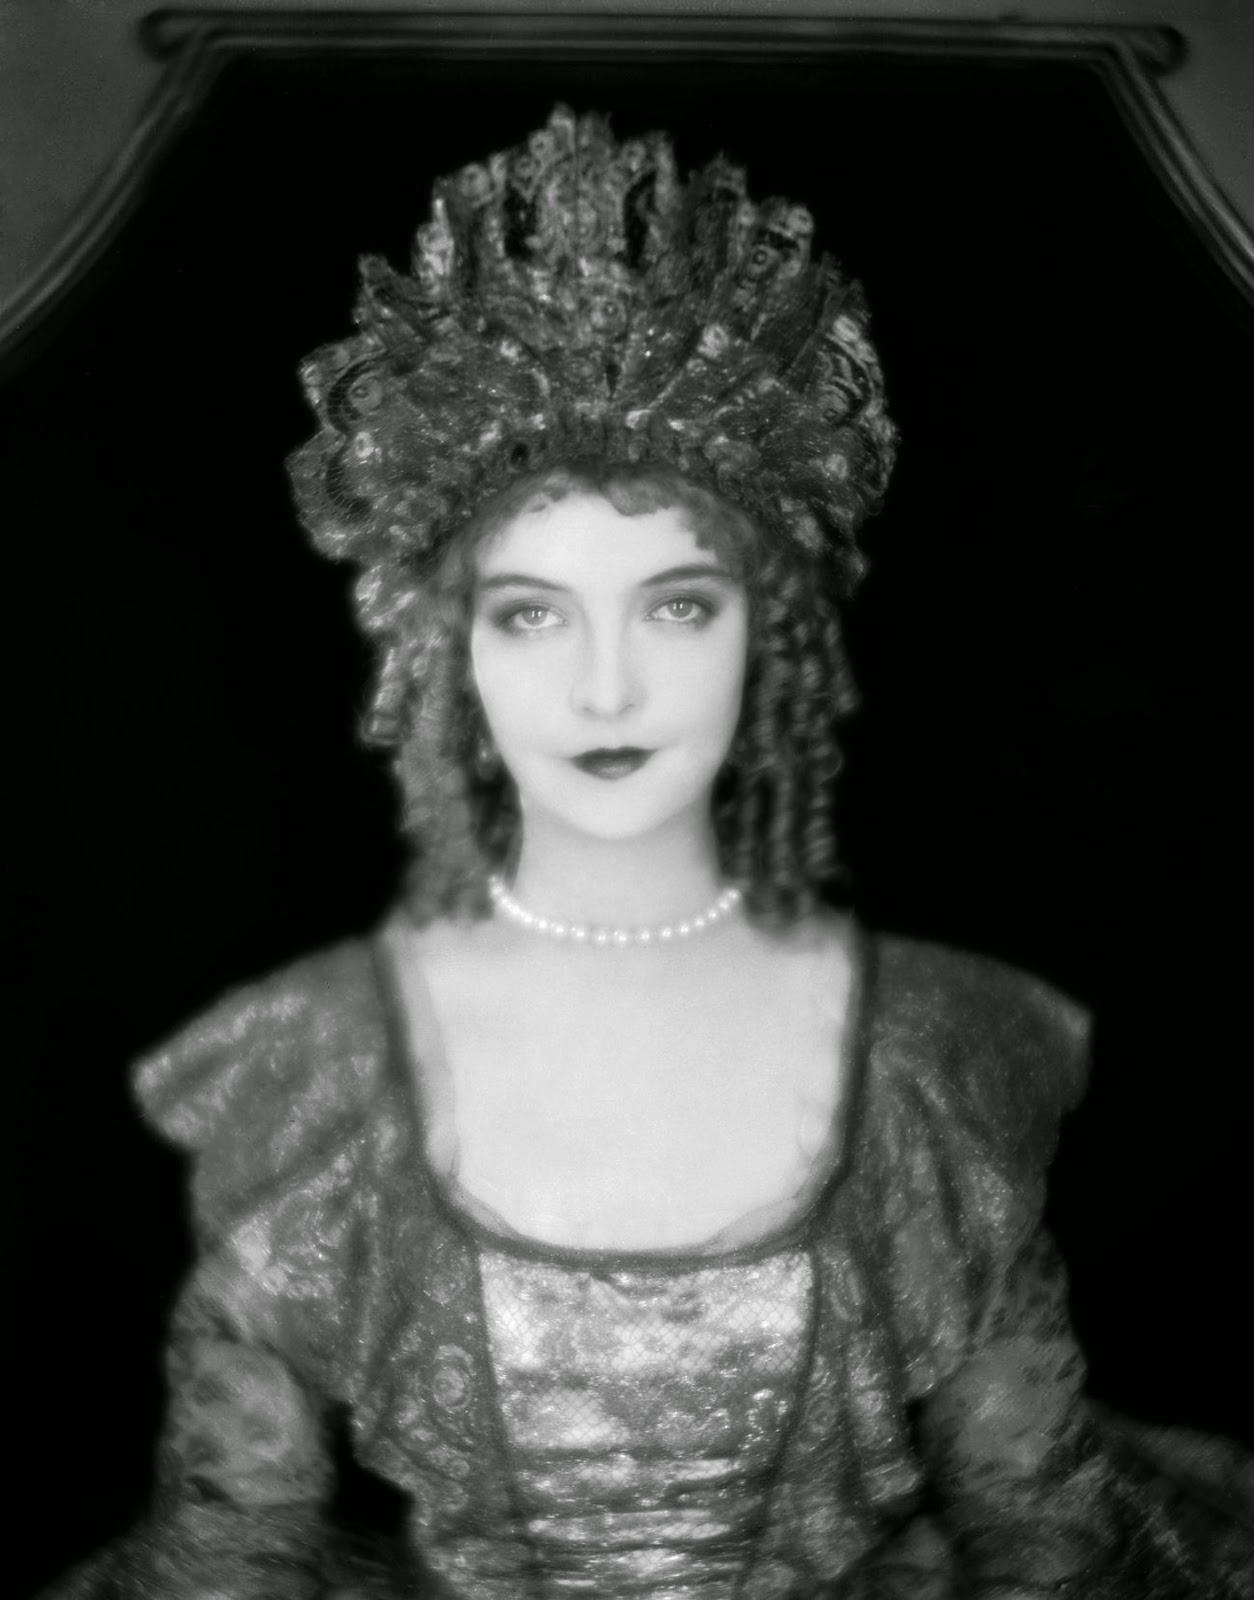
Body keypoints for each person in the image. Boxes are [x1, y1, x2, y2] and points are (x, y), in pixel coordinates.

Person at [45, 106, 1252, 1600]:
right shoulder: (316, 1063)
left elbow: (1036, 1530)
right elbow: (235, 1546)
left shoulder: (935, 1051)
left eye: (677, 606)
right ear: (448, 654)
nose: (605, 689)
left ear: (769, 635)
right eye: (531, 615)